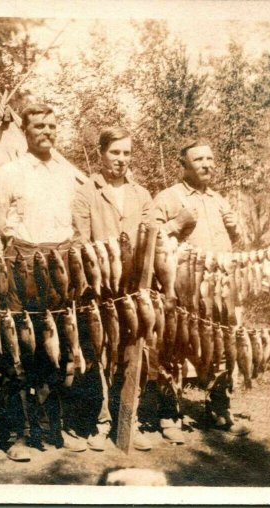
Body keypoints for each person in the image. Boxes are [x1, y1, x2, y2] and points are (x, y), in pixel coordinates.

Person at [0, 103, 86, 460]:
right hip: (20, 264)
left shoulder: (66, 174)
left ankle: (53, 430)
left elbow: (77, 224)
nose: (47, 132)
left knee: (55, 349)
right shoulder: (9, 172)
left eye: (52, 126)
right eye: (39, 126)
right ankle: (18, 435)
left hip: (57, 266)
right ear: (24, 130)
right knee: (18, 351)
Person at [150, 138, 249, 436]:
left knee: (221, 347)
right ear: (184, 165)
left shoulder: (219, 200)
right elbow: (149, 237)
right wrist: (176, 223)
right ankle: (170, 415)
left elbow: (238, 244)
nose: (207, 164)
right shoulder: (167, 198)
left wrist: (236, 229)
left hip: (219, 291)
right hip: (182, 290)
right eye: (199, 160)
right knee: (174, 348)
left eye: (209, 159)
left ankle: (219, 409)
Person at [71, 126, 160, 451]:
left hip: (133, 291)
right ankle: (101, 422)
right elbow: (80, 238)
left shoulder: (141, 194)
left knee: (132, 354)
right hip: (99, 289)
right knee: (99, 354)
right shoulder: (87, 191)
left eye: (126, 153)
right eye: (115, 152)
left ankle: (128, 422)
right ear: (101, 153)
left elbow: (150, 236)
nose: (121, 159)